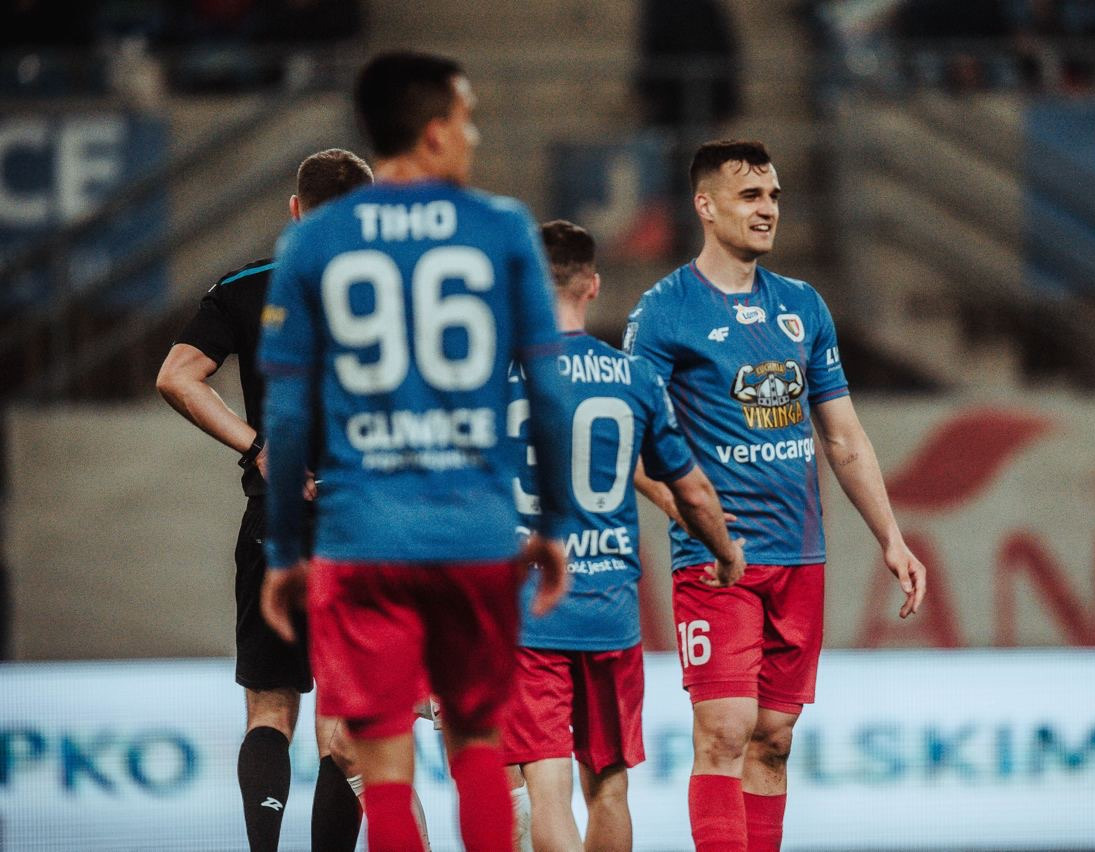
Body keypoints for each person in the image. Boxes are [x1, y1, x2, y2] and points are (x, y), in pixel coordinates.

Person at [257, 51, 572, 852]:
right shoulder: (500, 227)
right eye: (466, 120)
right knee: (478, 752)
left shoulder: (312, 243)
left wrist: (287, 551)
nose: (473, 136)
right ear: (434, 133)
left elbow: (287, 417)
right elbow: (547, 392)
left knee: (384, 769)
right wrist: (555, 523)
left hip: (361, 538)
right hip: (471, 534)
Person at [624, 139, 927, 852]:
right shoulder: (664, 311)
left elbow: (843, 438)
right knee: (724, 731)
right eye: (750, 196)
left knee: (774, 739)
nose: (767, 210)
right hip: (717, 558)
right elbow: (624, 437)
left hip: (799, 554)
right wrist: (681, 508)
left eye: (774, 197)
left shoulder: (802, 306)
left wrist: (891, 537)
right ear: (705, 205)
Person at [156, 148, 374, 852]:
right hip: (364, 528)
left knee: (269, 711)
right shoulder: (400, 297)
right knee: (345, 728)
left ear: (295, 210)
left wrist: (258, 449)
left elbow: (177, 377)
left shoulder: (248, 287)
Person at [504, 220, 745, 851]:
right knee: (609, 786)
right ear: (592, 286)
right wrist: (725, 552)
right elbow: (692, 490)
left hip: (529, 610)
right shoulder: (633, 377)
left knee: (546, 786)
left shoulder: (495, 377)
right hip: (609, 611)